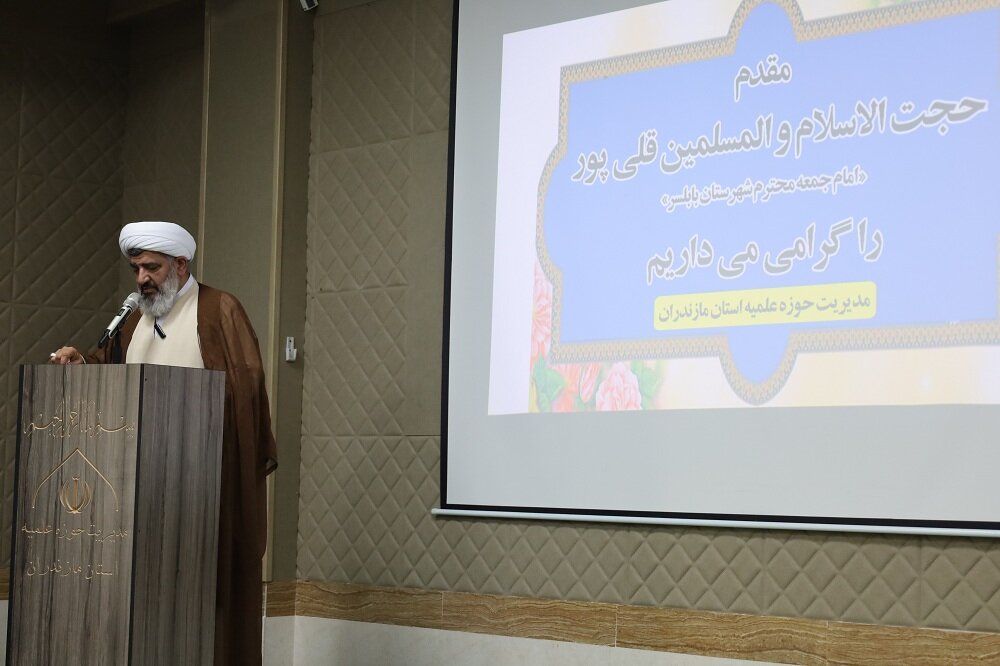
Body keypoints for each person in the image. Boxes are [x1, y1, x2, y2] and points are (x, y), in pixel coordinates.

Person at [51, 220, 278, 666]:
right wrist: (83, 363)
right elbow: (113, 374)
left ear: (180, 264)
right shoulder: (135, 316)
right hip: (138, 491)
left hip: (202, 487)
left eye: (151, 268)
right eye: (136, 269)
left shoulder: (218, 309)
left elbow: (246, 389)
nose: (142, 279)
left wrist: (191, 411)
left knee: (203, 602)